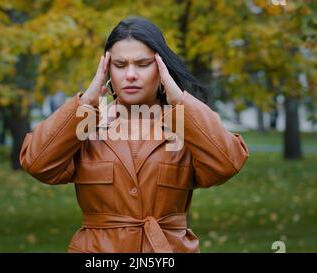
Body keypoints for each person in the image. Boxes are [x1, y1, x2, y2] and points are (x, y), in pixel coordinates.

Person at [20, 16, 249, 253]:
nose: (130, 74)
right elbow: (38, 164)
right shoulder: (86, 126)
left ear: (161, 69)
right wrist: (85, 103)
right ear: (106, 69)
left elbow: (227, 163)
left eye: (142, 64)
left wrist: (180, 102)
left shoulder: (185, 127)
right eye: (120, 65)